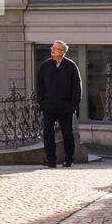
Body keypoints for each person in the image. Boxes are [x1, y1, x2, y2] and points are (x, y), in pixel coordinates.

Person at [35, 39, 82, 167]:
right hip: (49, 106)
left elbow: (77, 86)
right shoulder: (46, 65)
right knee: (48, 133)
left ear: (62, 52)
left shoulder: (71, 66)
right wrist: (41, 102)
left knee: (67, 133)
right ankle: (51, 159)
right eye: (52, 48)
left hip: (66, 107)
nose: (52, 50)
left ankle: (69, 159)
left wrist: (73, 104)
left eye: (55, 48)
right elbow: (40, 84)